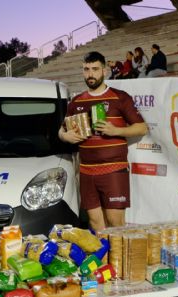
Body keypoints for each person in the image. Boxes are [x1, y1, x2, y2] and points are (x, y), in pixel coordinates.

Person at [58, 51, 148, 232]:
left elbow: (142, 128)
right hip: (87, 171)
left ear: (105, 70)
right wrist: (64, 136)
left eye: (95, 69)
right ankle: (104, 260)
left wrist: (116, 130)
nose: (90, 74)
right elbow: (62, 129)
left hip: (114, 169)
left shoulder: (120, 97)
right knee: (95, 223)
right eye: (86, 69)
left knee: (115, 222)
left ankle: (119, 261)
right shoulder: (76, 101)